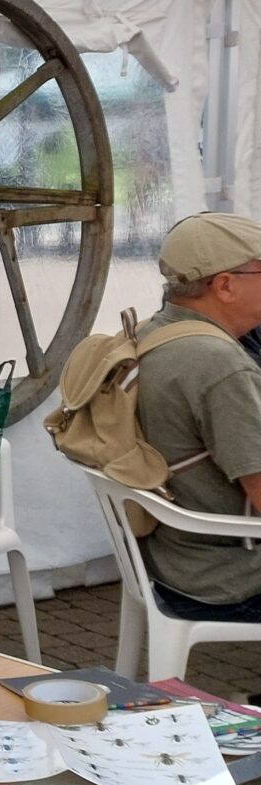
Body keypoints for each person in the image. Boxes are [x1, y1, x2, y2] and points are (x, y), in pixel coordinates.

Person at [134, 212, 261, 618]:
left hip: (173, 559)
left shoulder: (152, 332)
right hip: (229, 577)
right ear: (224, 285)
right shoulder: (220, 365)